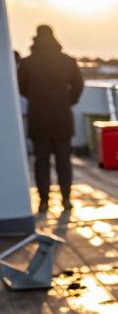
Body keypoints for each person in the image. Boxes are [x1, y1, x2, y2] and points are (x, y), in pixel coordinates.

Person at [18, 25, 84, 211]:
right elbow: (78, 85)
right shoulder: (68, 61)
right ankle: (66, 199)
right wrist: (67, 101)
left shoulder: (27, 63)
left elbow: (21, 87)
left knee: (41, 162)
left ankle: (44, 201)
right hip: (62, 118)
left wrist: (35, 98)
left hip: (38, 118)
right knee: (64, 161)